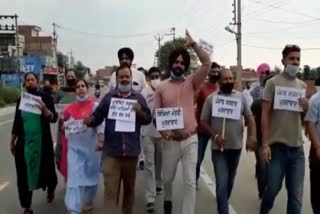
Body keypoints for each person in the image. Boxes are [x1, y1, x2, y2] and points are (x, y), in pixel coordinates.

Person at [153, 30, 210, 214]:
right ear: (171, 64)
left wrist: (193, 44)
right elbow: (156, 115)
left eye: (182, 63)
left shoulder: (192, 82)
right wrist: (162, 132)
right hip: (170, 142)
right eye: (176, 62)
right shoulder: (161, 87)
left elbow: (207, 63)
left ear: (185, 66)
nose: (179, 65)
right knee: (167, 178)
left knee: (189, 182)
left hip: (190, 139)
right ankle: (168, 198)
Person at [83, 64, 152, 214]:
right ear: (117, 79)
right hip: (111, 153)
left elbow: (148, 119)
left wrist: (140, 111)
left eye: (127, 76)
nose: (125, 79)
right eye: (122, 77)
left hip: (131, 153)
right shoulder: (109, 98)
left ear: (132, 78)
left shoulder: (139, 98)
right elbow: (98, 117)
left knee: (129, 193)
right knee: (110, 192)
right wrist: (90, 120)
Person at [260, 45, 308, 214]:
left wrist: (306, 107)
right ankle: (264, 210)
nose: (295, 62)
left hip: (297, 151)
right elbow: (264, 115)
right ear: (283, 61)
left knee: (295, 198)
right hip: (277, 150)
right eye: (292, 59)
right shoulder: (272, 84)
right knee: (272, 190)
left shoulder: (302, 85)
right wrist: (265, 144)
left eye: (298, 59)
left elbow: (303, 117)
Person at [200, 69, 257, 214]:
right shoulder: (212, 99)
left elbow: (250, 118)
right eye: (225, 79)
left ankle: (223, 200)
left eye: (231, 78)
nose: (229, 81)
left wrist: (252, 136)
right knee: (221, 184)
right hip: (218, 149)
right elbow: (203, 121)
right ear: (219, 81)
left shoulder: (240, 97)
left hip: (236, 147)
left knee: (230, 182)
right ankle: (223, 209)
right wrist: (215, 136)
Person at [10, 72, 58, 214]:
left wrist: (45, 110)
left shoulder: (46, 98)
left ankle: (51, 188)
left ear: (38, 82)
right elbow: (17, 122)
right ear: (25, 83)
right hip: (24, 143)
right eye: (28, 80)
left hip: (43, 143)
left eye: (33, 79)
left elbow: (54, 118)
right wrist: (12, 141)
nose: (30, 82)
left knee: (48, 171)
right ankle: (27, 206)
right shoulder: (21, 100)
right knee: (24, 174)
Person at [63, 79, 104, 214]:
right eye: (78, 87)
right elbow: (66, 128)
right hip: (74, 148)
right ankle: (73, 209)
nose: (80, 88)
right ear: (75, 90)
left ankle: (88, 202)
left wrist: (100, 139)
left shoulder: (95, 106)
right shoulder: (68, 109)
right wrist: (64, 127)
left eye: (83, 86)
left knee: (91, 177)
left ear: (87, 89)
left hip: (91, 148)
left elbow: (100, 125)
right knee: (73, 179)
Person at [108, 47, 147, 170]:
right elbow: (110, 95)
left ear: (131, 60)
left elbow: (144, 93)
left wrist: (140, 109)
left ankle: (139, 158)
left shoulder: (140, 75)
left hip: (136, 116)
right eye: (122, 58)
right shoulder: (113, 75)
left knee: (137, 137)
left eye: (127, 58)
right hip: (119, 116)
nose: (124, 60)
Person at [141, 67, 163, 212]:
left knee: (159, 162)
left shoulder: (165, 90)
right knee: (149, 164)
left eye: (157, 76)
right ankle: (150, 198)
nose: (155, 78)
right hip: (147, 132)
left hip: (162, 134)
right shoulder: (144, 93)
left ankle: (158, 183)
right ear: (148, 78)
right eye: (153, 76)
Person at [195, 62, 220, 186]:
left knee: (220, 161)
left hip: (217, 130)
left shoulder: (221, 88)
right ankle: (194, 180)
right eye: (213, 71)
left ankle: (221, 184)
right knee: (197, 159)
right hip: (202, 129)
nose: (215, 74)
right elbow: (192, 103)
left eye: (217, 71)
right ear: (208, 73)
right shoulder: (202, 88)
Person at [250, 74, 275, 200]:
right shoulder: (257, 103)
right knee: (262, 168)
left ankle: (269, 191)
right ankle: (262, 194)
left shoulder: (282, 104)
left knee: (272, 170)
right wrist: (251, 137)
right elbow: (250, 120)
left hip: (276, 142)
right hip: (260, 141)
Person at [54, 70, 77, 181]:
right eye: (68, 76)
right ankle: (66, 175)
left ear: (75, 77)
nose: (70, 78)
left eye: (72, 76)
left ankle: (75, 176)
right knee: (61, 150)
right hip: (62, 128)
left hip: (77, 128)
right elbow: (55, 107)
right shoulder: (60, 92)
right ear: (65, 78)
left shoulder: (79, 90)